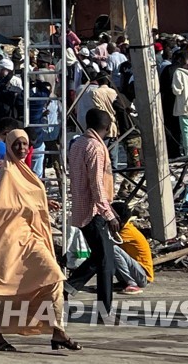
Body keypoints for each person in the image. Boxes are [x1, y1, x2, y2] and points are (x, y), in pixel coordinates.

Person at [0, 129, 81, 352]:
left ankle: (56, 332)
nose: (21, 148)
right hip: (14, 240)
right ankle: (0, 335)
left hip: (30, 237)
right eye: (16, 144)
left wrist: (44, 204)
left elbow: (29, 199)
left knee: (45, 283)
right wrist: (33, 206)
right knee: (40, 280)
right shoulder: (7, 171)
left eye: (24, 144)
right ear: (8, 146)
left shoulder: (23, 170)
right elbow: (2, 207)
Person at [65, 108, 119, 318]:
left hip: (83, 206)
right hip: (94, 210)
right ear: (106, 127)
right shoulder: (96, 147)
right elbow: (97, 184)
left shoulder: (77, 143)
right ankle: (105, 309)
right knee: (106, 260)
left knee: (100, 256)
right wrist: (109, 214)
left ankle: (69, 286)